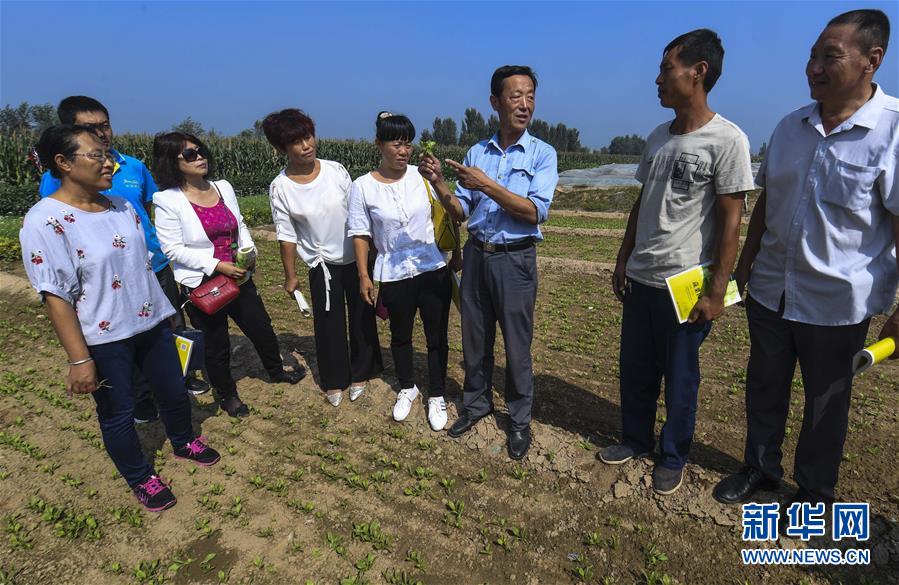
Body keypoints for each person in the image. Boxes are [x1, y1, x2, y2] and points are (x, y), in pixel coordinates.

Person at [713, 10, 899, 509]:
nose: (813, 67)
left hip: (837, 304)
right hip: (772, 291)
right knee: (764, 385)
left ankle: (815, 495)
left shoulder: (892, 133)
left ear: (871, 60)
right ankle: (759, 468)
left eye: (829, 56)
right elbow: (768, 203)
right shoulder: (789, 126)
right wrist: (745, 266)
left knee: (826, 405)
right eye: (812, 55)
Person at [21, 125, 220, 512]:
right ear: (63, 163)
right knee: (118, 412)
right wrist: (80, 360)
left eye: (106, 154)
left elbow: (141, 268)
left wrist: (167, 316)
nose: (108, 162)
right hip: (104, 336)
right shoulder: (45, 221)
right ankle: (140, 476)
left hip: (151, 322)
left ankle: (183, 441)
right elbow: (55, 295)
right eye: (95, 155)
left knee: (174, 390)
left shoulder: (122, 206)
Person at [595, 30, 754, 495]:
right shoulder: (658, 138)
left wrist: (716, 291)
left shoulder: (728, 140)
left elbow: (731, 223)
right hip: (642, 277)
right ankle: (634, 438)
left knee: (680, 377)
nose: (659, 79)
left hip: (683, 284)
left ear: (698, 72)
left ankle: (673, 454)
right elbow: (643, 203)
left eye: (667, 69)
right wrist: (623, 258)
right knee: (636, 368)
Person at [38, 96, 209, 424]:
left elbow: (146, 210)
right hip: (106, 277)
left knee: (170, 329)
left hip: (152, 265)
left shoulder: (132, 166)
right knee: (128, 339)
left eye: (104, 125)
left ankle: (182, 379)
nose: (102, 133)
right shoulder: (56, 179)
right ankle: (143, 397)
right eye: (90, 128)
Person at [419, 65, 557, 460]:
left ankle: (518, 420)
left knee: (517, 347)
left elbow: (534, 212)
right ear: (495, 102)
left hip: (515, 261)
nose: (525, 104)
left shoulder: (542, 154)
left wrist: (487, 185)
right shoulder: (476, 152)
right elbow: (461, 211)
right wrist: (440, 184)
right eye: (516, 96)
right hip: (478, 256)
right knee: (475, 340)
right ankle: (476, 405)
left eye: (530, 95)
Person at [152, 132, 304, 418]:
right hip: (204, 280)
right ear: (172, 162)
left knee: (260, 327)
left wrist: (249, 251)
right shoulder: (167, 200)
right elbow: (172, 249)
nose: (199, 157)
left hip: (238, 274)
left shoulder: (222, 187)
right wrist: (216, 266)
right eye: (189, 154)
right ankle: (227, 394)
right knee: (216, 342)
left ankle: (275, 370)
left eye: (200, 151)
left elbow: (240, 224)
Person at [262, 108, 383, 407]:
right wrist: (290, 275)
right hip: (321, 262)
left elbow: (357, 212)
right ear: (281, 148)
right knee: (328, 324)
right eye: (296, 141)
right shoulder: (281, 187)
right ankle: (334, 379)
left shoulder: (336, 170)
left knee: (361, 315)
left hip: (355, 256)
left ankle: (362, 372)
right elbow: (287, 234)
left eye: (308, 136)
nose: (307, 145)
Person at [347, 112, 458, 431]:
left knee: (437, 335)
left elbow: (449, 214)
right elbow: (360, 233)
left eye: (408, 144)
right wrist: (364, 276)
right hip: (393, 272)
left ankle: (436, 393)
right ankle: (408, 387)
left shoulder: (422, 177)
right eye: (396, 144)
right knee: (400, 335)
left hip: (431, 267)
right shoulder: (363, 187)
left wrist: (457, 252)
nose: (403, 151)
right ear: (379, 144)